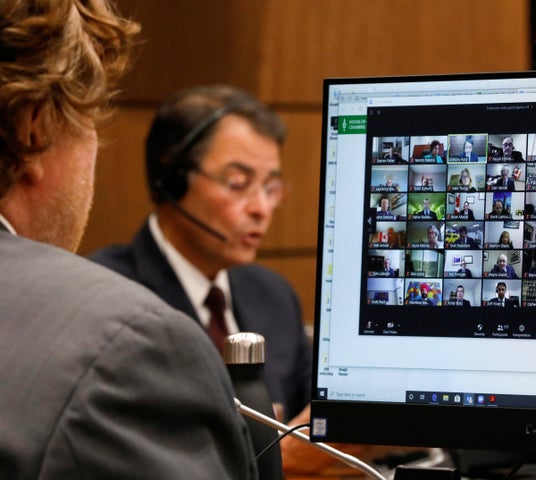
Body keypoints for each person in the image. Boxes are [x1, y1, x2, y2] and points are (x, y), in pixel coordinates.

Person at [0, 3, 258, 479]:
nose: (261, 207)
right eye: (91, 118)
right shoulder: (128, 346)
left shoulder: (270, 295)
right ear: (33, 127)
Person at [88, 86, 317, 474]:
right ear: (171, 178)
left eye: (271, 187)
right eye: (238, 183)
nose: (261, 209)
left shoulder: (273, 295)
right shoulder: (108, 297)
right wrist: (283, 458)